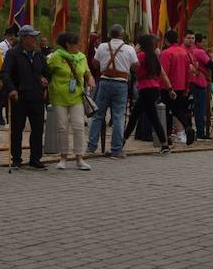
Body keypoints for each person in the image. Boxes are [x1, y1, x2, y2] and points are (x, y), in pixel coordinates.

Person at [1, 25, 49, 171]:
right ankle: (16, 158)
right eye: (31, 37)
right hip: (19, 97)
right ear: (23, 38)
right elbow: (4, 73)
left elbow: (47, 72)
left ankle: (35, 159)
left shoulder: (39, 54)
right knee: (17, 130)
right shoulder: (12, 54)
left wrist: (45, 79)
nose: (35, 39)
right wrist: (11, 89)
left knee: (37, 129)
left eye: (35, 36)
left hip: (37, 96)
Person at [88, 24, 137, 159]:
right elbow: (135, 67)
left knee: (98, 115)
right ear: (122, 35)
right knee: (118, 117)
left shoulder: (103, 46)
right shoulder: (129, 49)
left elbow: (95, 64)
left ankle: (91, 147)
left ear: (110, 34)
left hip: (104, 82)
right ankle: (116, 150)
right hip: (121, 84)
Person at [47, 32, 94, 170]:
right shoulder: (56, 57)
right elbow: (46, 71)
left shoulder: (81, 57)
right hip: (59, 96)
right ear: (68, 44)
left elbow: (87, 71)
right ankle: (63, 157)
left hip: (76, 96)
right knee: (62, 127)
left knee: (79, 126)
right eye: (76, 43)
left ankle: (79, 157)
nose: (79, 45)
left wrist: (90, 78)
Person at [122, 35, 174, 152]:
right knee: (149, 116)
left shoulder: (140, 56)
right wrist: (170, 88)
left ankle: (122, 141)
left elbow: (131, 67)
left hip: (145, 89)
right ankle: (164, 144)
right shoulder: (154, 56)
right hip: (154, 89)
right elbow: (162, 74)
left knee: (137, 116)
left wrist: (133, 52)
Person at [184, 31, 212, 140]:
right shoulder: (199, 52)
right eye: (189, 38)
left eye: (192, 38)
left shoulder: (193, 51)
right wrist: (212, 57)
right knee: (198, 109)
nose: (191, 40)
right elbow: (211, 65)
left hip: (194, 81)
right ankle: (198, 132)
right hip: (195, 82)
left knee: (191, 109)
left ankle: (193, 131)